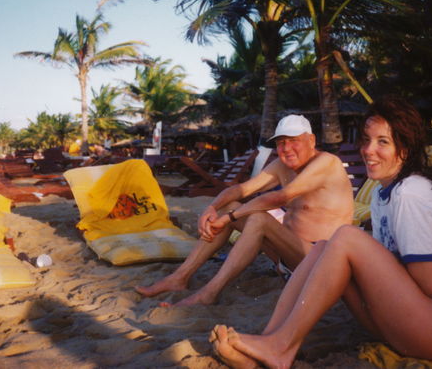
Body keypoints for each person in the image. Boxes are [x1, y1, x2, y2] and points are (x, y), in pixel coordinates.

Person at [212, 95, 432, 368]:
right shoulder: (382, 195)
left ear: (405, 148)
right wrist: (408, 263)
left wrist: (416, 265)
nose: (368, 150)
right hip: (409, 323)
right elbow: (389, 267)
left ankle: (280, 347)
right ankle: (271, 339)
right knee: (323, 247)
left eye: (383, 142)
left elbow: (429, 284)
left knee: (345, 236)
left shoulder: (410, 194)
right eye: (366, 140)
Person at [136, 114, 355, 307]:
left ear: (311, 140)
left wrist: (231, 217)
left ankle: (209, 293)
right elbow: (241, 189)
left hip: (319, 260)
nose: (286, 148)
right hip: (287, 258)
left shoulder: (328, 163)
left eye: (293, 141)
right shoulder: (282, 165)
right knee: (228, 207)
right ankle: (179, 277)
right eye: (280, 143)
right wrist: (212, 208)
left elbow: (280, 197)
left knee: (257, 219)